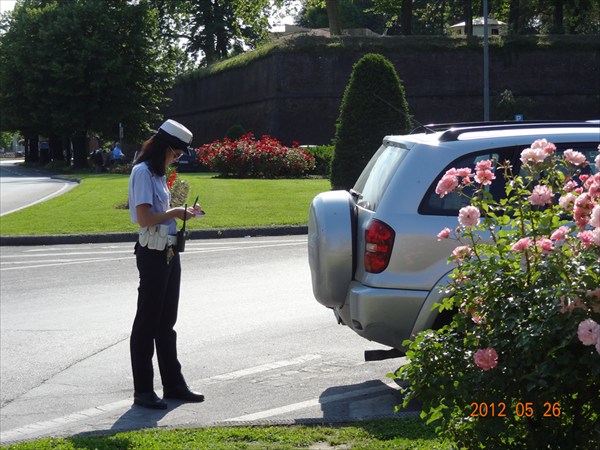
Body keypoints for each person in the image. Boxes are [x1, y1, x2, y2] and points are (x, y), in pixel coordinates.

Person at [128, 119, 204, 409]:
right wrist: (175, 211)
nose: (177, 158)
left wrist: (184, 213)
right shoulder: (143, 173)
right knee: (147, 322)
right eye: (177, 153)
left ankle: (173, 384)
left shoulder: (157, 174)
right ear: (164, 148)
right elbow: (146, 218)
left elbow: (160, 214)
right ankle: (143, 390)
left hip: (169, 251)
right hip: (153, 251)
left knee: (166, 322)